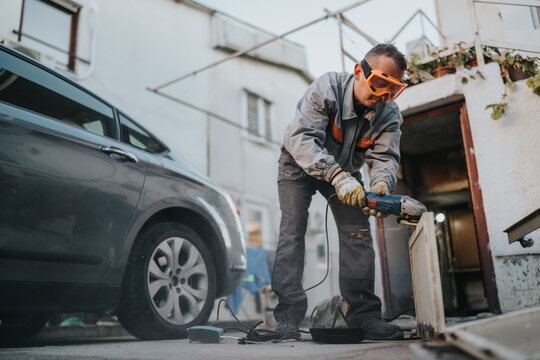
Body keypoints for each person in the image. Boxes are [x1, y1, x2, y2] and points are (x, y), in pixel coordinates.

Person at [271, 43, 408, 340]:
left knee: (357, 233)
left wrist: (381, 187)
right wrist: (336, 176)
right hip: (298, 164)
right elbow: (302, 139)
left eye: (393, 89)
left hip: (345, 171)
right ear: (360, 71)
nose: (383, 94)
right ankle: (287, 319)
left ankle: (365, 316)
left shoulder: (389, 114)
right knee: (292, 232)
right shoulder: (327, 88)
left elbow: (384, 159)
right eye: (379, 83)